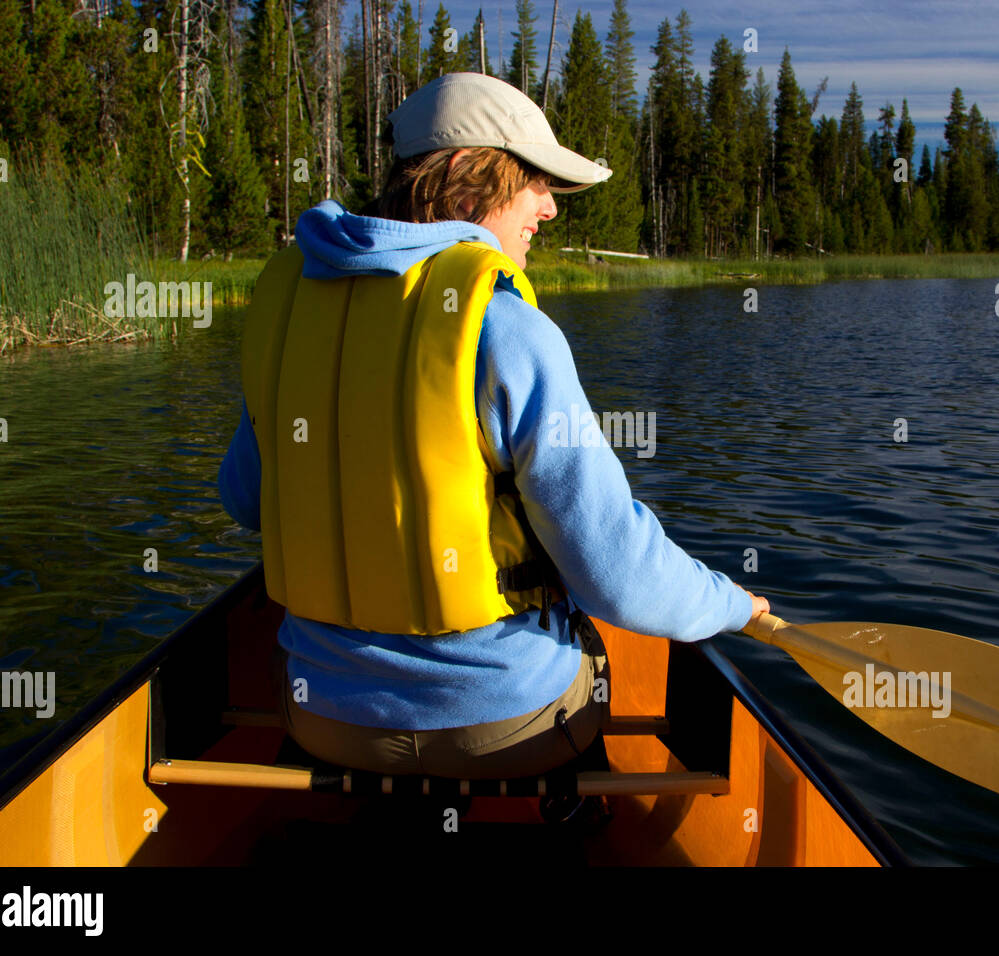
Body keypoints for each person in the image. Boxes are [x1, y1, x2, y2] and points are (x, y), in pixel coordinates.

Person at [218, 72, 769, 787]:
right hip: (500, 726)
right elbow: (618, 576)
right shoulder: (506, 327)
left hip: (319, 713)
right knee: (594, 649)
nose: (549, 208)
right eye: (534, 181)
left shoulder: (290, 311)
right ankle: (571, 815)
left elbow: (242, 500)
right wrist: (732, 604)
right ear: (466, 185)